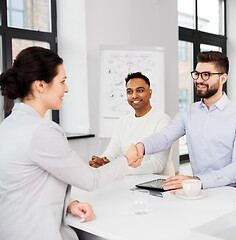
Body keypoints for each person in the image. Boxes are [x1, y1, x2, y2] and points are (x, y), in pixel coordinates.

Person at [0, 47, 140, 240]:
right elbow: (91, 180)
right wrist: (127, 159)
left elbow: (27, 187)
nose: (66, 89)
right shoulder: (41, 131)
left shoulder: (8, 125)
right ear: (41, 85)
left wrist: (69, 205)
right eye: (62, 81)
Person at [136, 51, 236, 191]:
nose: (199, 80)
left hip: (229, 192)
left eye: (206, 75)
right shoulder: (188, 112)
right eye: (197, 74)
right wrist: (141, 147)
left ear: (223, 78)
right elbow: (165, 137)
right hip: (196, 190)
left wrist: (199, 181)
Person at [89, 72, 172, 174]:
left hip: (156, 185)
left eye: (140, 90)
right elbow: (111, 153)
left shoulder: (163, 121)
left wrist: (118, 168)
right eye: (129, 92)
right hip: (128, 182)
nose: (134, 96)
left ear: (150, 93)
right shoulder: (123, 122)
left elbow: (157, 165)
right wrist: (101, 162)